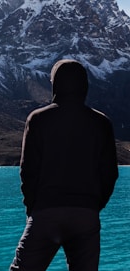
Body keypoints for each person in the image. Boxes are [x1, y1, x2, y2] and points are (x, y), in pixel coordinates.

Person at [10, 59, 119, 271]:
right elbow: (109, 174)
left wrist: (34, 208)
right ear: (85, 85)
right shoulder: (101, 122)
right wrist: (93, 206)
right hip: (86, 215)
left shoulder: (38, 119)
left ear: (55, 84)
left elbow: (28, 171)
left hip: (45, 213)